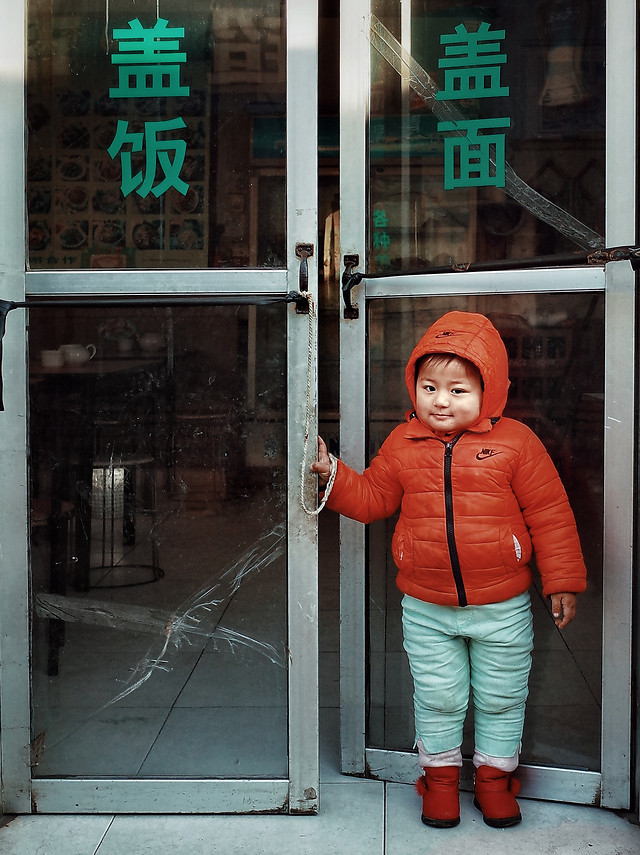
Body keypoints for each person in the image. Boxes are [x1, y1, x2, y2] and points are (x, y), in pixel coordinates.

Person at [311, 311, 586, 829]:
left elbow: (550, 515)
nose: (441, 401)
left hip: (502, 607)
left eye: (458, 390)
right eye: (429, 386)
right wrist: (334, 475)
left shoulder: (517, 443)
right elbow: (371, 499)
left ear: (490, 391)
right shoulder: (401, 444)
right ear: (412, 386)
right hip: (427, 607)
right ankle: (438, 783)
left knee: (502, 696)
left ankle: (493, 782)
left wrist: (563, 580)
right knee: (438, 698)